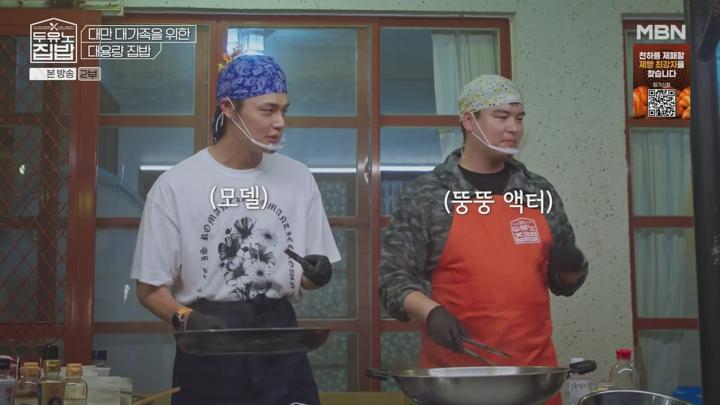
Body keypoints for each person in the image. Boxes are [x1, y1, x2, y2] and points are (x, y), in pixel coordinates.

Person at [131, 54, 340, 405]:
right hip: (210, 336)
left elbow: (305, 278)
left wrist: (317, 274)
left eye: (284, 111)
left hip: (280, 338)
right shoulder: (176, 185)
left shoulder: (299, 178)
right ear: (228, 108)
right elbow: (149, 288)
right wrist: (185, 318)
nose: (279, 123)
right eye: (267, 110)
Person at [379, 74, 589, 405]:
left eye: (519, 118)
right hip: (456, 382)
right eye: (501, 117)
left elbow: (562, 283)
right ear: (469, 121)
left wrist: (571, 269)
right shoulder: (429, 194)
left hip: (532, 380)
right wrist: (431, 312)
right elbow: (393, 279)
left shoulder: (538, 191)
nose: (513, 128)